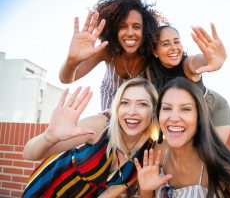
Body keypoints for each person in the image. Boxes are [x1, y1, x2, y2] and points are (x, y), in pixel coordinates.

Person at [134, 77, 230, 198]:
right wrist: (146, 190)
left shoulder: (216, 163)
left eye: (185, 109)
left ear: (199, 116)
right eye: (166, 108)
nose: (173, 117)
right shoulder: (157, 152)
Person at [23, 78, 158, 197]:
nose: (132, 112)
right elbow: (29, 154)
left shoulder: (149, 149)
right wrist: (49, 136)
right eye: (125, 103)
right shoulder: (100, 125)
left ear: (153, 110)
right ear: (117, 107)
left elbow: (113, 190)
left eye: (142, 104)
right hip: (46, 190)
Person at [59, 0, 160, 111]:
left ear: (145, 30)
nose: (130, 33)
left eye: (136, 27)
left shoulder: (150, 52)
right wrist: (72, 60)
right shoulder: (107, 51)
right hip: (111, 99)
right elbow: (66, 79)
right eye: (122, 27)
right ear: (113, 30)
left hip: (139, 101)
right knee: (109, 126)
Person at [146, 24, 230, 142]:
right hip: (189, 114)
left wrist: (208, 59)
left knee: (210, 156)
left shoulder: (187, 65)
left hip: (214, 108)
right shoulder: (150, 70)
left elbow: (195, 62)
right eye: (166, 44)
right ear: (155, 51)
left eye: (176, 42)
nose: (174, 47)